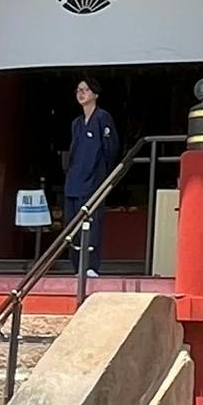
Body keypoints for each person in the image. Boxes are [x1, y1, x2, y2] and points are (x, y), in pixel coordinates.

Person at [61, 78, 122, 282]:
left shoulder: (103, 117)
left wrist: (104, 175)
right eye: (78, 90)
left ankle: (91, 265)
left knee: (92, 223)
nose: (81, 93)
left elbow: (110, 148)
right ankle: (76, 264)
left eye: (86, 90)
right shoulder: (76, 123)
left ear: (95, 94)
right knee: (73, 223)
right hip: (75, 179)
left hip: (94, 179)